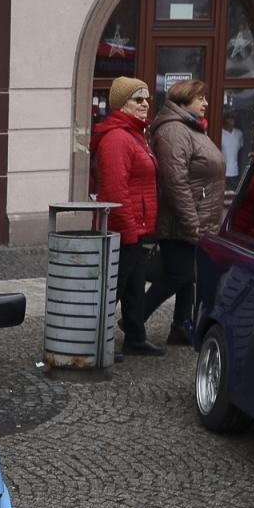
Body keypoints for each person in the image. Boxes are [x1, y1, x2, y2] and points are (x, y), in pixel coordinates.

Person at [145, 79, 226, 347]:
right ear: (184, 99)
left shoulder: (192, 127)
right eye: (200, 98)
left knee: (188, 275)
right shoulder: (174, 130)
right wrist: (191, 221)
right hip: (179, 221)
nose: (206, 103)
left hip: (195, 217)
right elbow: (174, 181)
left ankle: (181, 326)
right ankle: (134, 318)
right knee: (178, 275)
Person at [90, 76, 162, 356]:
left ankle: (135, 337)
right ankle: (97, 343)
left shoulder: (134, 134)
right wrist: (129, 230)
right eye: (138, 99)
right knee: (114, 288)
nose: (145, 104)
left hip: (136, 227)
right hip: (123, 228)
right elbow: (114, 190)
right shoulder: (118, 138)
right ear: (122, 104)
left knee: (134, 286)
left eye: (147, 99)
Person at [221, 114, 244, 191]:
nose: (232, 120)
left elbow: (241, 152)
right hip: (222, 173)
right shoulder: (219, 133)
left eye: (233, 118)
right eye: (229, 118)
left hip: (235, 173)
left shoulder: (239, 134)